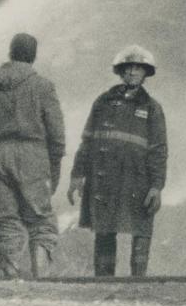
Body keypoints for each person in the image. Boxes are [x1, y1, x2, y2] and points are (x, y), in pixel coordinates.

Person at [69, 46, 168, 277]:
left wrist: (156, 186)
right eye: (128, 68)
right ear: (120, 72)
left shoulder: (153, 109)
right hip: (105, 178)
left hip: (137, 180)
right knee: (104, 230)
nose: (133, 72)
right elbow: (87, 141)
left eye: (138, 68)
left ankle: (138, 283)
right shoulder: (103, 102)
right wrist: (76, 175)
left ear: (146, 74)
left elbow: (159, 151)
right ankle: (104, 281)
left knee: (141, 230)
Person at [0, 32, 66, 279]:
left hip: (0, 153)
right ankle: (40, 282)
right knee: (42, 223)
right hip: (33, 155)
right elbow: (56, 134)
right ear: (33, 56)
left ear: (11, 53)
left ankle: (9, 281)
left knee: (7, 222)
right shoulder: (43, 86)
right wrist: (54, 167)